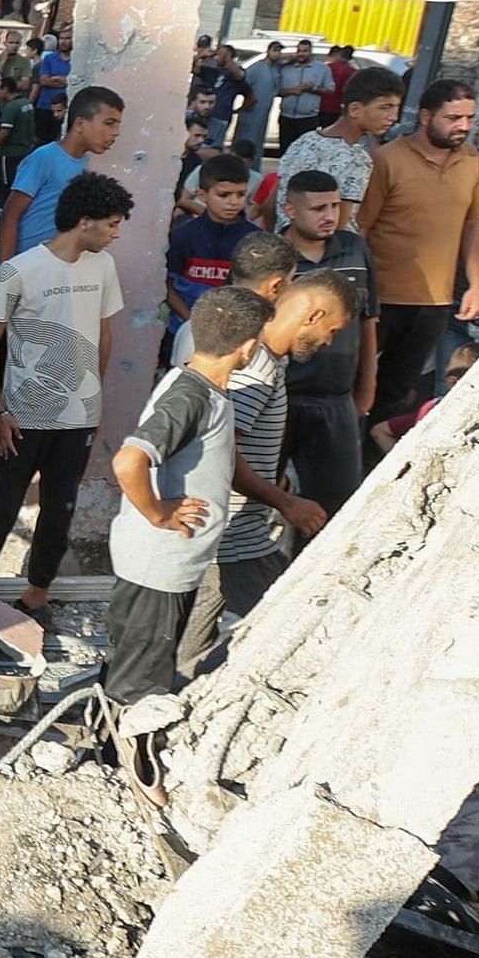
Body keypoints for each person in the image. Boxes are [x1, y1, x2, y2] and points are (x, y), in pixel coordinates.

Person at [0, 173, 133, 619]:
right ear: (84, 221)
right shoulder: (20, 271)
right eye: (111, 224)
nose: (116, 233)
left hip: (78, 418)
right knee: (1, 507)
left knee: (60, 510)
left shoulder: (103, 267)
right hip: (22, 415)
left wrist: (92, 393)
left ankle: (36, 596)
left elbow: (103, 332)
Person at [102, 286, 267, 706]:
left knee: (135, 664)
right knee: (139, 688)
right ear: (247, 348)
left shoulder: (196, 384)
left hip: (166, 564)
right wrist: (159, 514)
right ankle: (122, 763)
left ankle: (106, 747)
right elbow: (128, 461)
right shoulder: (191, 396)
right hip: (159, 565)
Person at [202, 260, 358, 619]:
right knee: (284, 626)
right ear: (313, 315)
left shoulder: (269, 360)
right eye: (331, 330)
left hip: (228, 540)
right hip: (236, 541)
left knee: (188, 654)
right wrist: (286, 502)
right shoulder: (255, 366)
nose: (328, 342)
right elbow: (221, 451)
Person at [358, 78, 479, 428]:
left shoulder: (472, 160)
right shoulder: (387, 160)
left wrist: (477, 284)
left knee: (399, 389)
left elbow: (473, 225)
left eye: (469, 118)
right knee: (358, 383)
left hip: (435, 300)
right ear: (426, 116)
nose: (463, 126)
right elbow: (361, 228)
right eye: (453, 118)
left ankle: (374, 460)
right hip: (381, 295)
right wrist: (359, 288)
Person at [275, 168, 375, 515]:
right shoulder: (271, 257)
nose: (330, 216)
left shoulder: (354, 249)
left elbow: (369, 322)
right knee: (262, 496)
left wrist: (365, 393)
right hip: (280, 398)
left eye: (334, 206)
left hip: (338, 402)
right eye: (318, 208)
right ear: (290, 210)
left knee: (338, 507)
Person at [2, 86, 125, 258]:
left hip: (48, 267)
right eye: (109, 123)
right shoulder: (44, 158)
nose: (116, 133)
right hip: (20, 265)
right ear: (80, 124)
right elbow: (10, 215)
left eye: (117, 125)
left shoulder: (85, 165)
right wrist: (6, 270)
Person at [278, 64, 401, 225]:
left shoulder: (304, 141)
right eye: (385, 107)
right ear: (355, 109)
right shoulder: (357, 159)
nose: (393, 117)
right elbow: (339, 226)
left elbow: (270, 204)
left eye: (397, 107)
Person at [167, 154, 258, 315]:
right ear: (202, 196)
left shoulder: (256, 239)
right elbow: (166, 284)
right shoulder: (182, 236)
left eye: (241, 194)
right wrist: (190, 322)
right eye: (223, 195)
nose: (233, 202)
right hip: (186, 326)